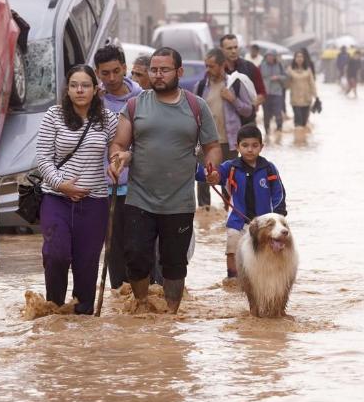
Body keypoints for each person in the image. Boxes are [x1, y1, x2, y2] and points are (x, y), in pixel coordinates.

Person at [108, 47, 222, 314]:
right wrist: (118, 158)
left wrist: (212, 167)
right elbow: (119, 143)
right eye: (154, 70)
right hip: (140, 198)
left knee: (174, 264)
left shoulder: (196, 106)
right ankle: (142, 306)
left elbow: (212, 146)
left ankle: (171, 316)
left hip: (179, 201)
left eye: (164, 70)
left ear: (179, 72)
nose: (158, 75)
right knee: (135, 258)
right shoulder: (135, 105)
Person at [36, 64, 118, 315]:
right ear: (67, 89)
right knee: (56, 254)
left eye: (85, 85)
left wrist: (116, 163)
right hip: (56, 198)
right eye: (74, 85)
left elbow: (120, 147)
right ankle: (55, 310)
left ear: (95, 89)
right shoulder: (54, 115)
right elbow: (42, 158)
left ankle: (82, 320)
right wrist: (62, 185)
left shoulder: (108, 119)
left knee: (87, 264)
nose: (79, 90)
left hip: (94, 203)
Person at [195, 124, 286, 280]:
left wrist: (278, 217)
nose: (250, 149)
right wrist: (197, 167)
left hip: (264, 224)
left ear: (261, 147)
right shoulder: (230, 168)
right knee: (232, 249)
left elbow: (279, 193)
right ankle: (232, 279)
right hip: (237, 221)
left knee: (266, 252)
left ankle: (263, 280)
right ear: (237, 147)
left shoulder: (269, 169)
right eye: (245, 145)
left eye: (254, 145)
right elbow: (210, 175)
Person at [93, 45, 143, 290]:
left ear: (125, 68)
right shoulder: (93, 102)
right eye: (105, 73)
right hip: (105, 189)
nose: (111, 78)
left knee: (139, 249)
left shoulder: (142, 99)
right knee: (113, 251)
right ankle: (119, 300)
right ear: (97, 73)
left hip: (139, 188)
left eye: (116, 71)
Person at [194, 48, 253, 209]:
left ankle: (229, 213)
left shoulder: (235, 84)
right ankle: (205, 215)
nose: (208, 69)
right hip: (206, 142)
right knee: (203, 180)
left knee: (228, 181)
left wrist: (233, 99)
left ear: (223, 65)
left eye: (211, 66)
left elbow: (248, 110)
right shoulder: (200, 87)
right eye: (206, 66)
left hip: (229, 141)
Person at [220, 34, 266, 118]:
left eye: (235, 47)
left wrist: (250, 106)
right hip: (225, 122)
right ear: (221, 50)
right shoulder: (217, 70)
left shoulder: (250, 68)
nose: (233, 51)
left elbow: (262, 94)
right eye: (229, 48)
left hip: (246, 121)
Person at [287, 50, 317, 133]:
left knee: (304, 122)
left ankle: (302, 142)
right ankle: (297, 142)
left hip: (306, 99)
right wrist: (287, 79)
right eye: (298, 57)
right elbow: (286, 86)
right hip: (295, 99)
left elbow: (312, 83)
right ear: (295, 59)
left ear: (304, 59)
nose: (299, 58)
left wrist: (316, 96)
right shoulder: (290, 70)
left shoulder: (308, 70)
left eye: (301, 57)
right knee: (298, 122)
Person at [259, 50, 287, 136]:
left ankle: (279, 130)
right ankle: (267, 132)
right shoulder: (261, 66)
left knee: (278, 112)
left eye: (271, 56)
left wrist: (278, 77)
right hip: (265, 93)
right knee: (266, 114)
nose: (270, 57)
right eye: (268, 56)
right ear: (266, 57)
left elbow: (286, 77)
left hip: (277, 93)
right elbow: (257, 78)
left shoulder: (279, 65)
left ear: (275, 57)